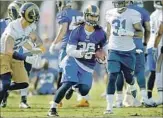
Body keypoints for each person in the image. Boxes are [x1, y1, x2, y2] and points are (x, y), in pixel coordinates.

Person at [48, 5, 108, 116]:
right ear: (85, 16)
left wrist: (104, 58)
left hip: (88, 65)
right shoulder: (77, 30)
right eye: (91, 16)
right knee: (67, 83)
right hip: (73, 60)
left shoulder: (101, 33)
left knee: (84, 90)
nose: (93, 19)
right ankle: (53, 108)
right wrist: (82, 53)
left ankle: (74, 87)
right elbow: (69, 50)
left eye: (95, 17)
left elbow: (105, 50)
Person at [104, 0, 143, 114]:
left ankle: (132, 84)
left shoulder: (133, 13)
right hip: (114, 50)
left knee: (129, 78)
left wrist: (128, 33)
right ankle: (109, 107)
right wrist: (104, 46)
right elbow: (108, 31)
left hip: (128, 51)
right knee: (112, 76)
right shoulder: (109, 13)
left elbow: (140, 33)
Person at [49, 0, 90, 107]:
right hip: (80, 47)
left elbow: (63, 29)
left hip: (67, 47)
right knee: (80, 71)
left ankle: (58, 101)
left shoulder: (63, 13)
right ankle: (82, 99)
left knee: (61, 72)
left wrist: (54, 43)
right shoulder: (80, 14)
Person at [0, 2, 42, 106]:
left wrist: (34, 49)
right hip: (3, 55)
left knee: (23, 83)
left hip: (15, 54)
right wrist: (25, 58)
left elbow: (23, 40)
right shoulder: (12, 27)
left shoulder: (29, 26)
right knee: (5, 83)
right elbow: (8, 51)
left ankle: (4, 88)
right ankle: (3, 90)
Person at [115, 0, 154, 107]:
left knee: (119, 72)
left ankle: (118, 101)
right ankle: (145, 98)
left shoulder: (118, 10)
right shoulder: (142, 11)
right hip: (137, 43)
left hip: (120, 44)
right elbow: (148, 29)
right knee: (140, 71)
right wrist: (145, 43)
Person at [147, 0, 163, 106]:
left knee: (156, 72)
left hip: (153, 44)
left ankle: (149, 97)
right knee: (158, 71)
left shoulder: (153, 14)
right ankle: (161, 97)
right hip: (158, 44)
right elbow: (160, 31)